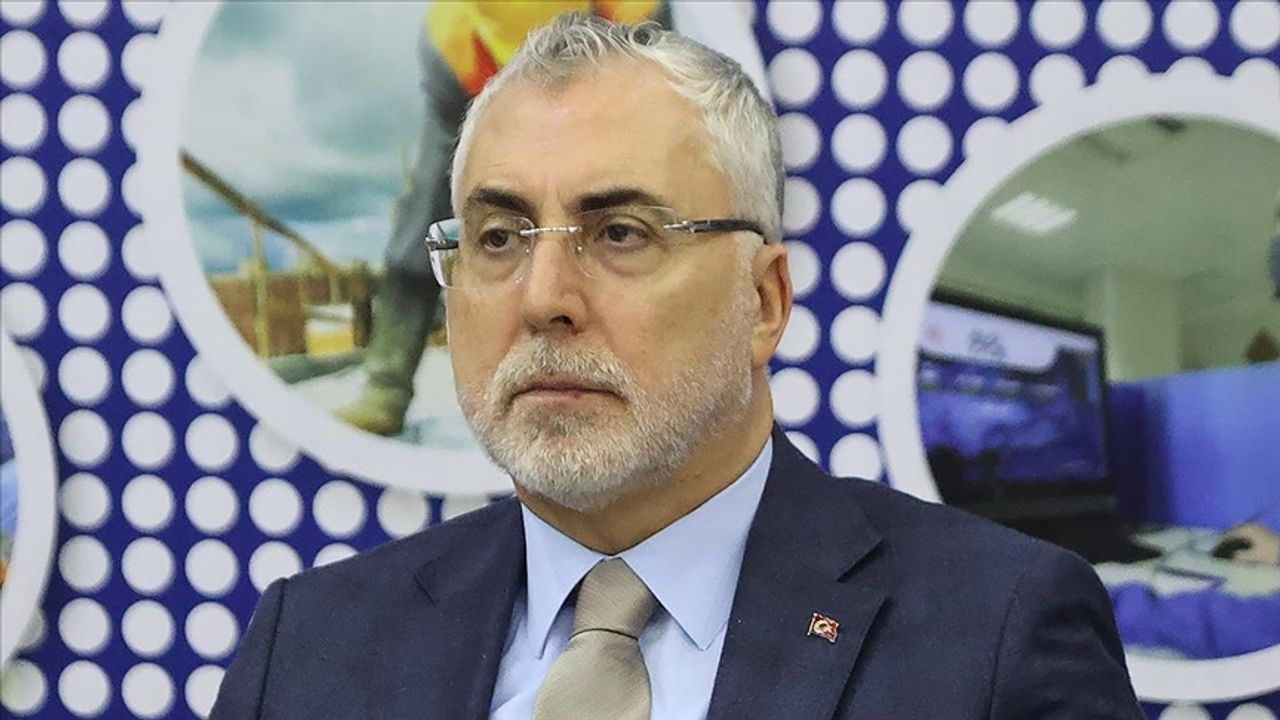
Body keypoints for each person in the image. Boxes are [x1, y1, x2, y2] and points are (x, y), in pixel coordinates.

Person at [211, 15, 1143, 719]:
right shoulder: (308, 644)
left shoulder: (998, 635)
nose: (542, 297)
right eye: (498, 237)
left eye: (621, 233)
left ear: (764, 302)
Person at [336, 0, 666, 436]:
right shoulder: (452, 38)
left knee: (635, 214)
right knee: (424, 219)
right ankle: (386, 385)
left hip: (606, 105)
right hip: (480, 97)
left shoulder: (634, 14)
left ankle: (657, 382)